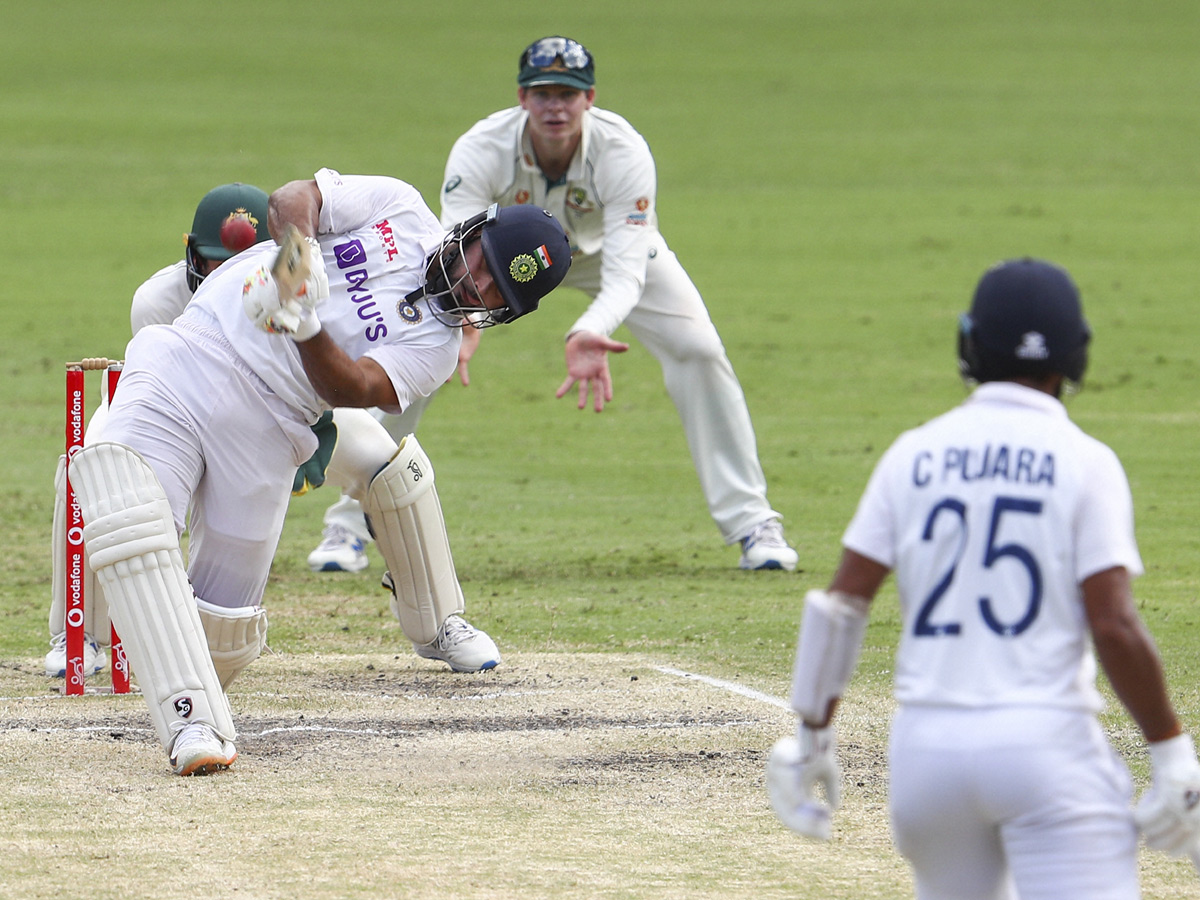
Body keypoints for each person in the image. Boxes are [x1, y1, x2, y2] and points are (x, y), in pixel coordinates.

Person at [67, 167, 571, 775]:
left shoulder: (435, 352)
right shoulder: (402, 208)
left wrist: (304, 324)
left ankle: (199, 707)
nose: (475, 283)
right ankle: (187, 722)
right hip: (196, 355)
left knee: (228, 623)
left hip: (270, 427)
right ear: (472, 231)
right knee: (129, 505)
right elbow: (290, 200)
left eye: (495, 295)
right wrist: (301, 267)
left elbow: (355, 386)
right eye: (482, 261)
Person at [765, 258, 1200, 898]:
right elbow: (1112, 623)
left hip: (926, 759)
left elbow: (843, 606)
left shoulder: (911, 453)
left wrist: (811, 735)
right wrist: (1171, 754)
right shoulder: (1087, 462)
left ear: (969, 345)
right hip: (1046, 750)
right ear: (1075, 355)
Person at [308, 35, 799, 574]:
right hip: (493, 266)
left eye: (568, 93)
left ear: (589, 99)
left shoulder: (624, 151)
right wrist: (460, 326)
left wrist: (588, 329)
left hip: (607, 252)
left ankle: (753, 522)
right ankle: (346, 528)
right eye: (544, 93)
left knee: (699, 348)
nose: (556, 106)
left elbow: (629, 270)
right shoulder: (482, 147)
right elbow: (453, 244)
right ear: (522, 96)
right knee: (415, 364)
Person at [45, 183, 270, 679]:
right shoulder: (158, 299)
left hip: (256, 422)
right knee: (83, 469)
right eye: (214, 261)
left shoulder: (290, 299)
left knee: (385, 464)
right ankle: (76, 633)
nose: (224, 275)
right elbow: (158, 389)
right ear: (190, 250)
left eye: (241, 263)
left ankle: (440, 623)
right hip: (159, 408)